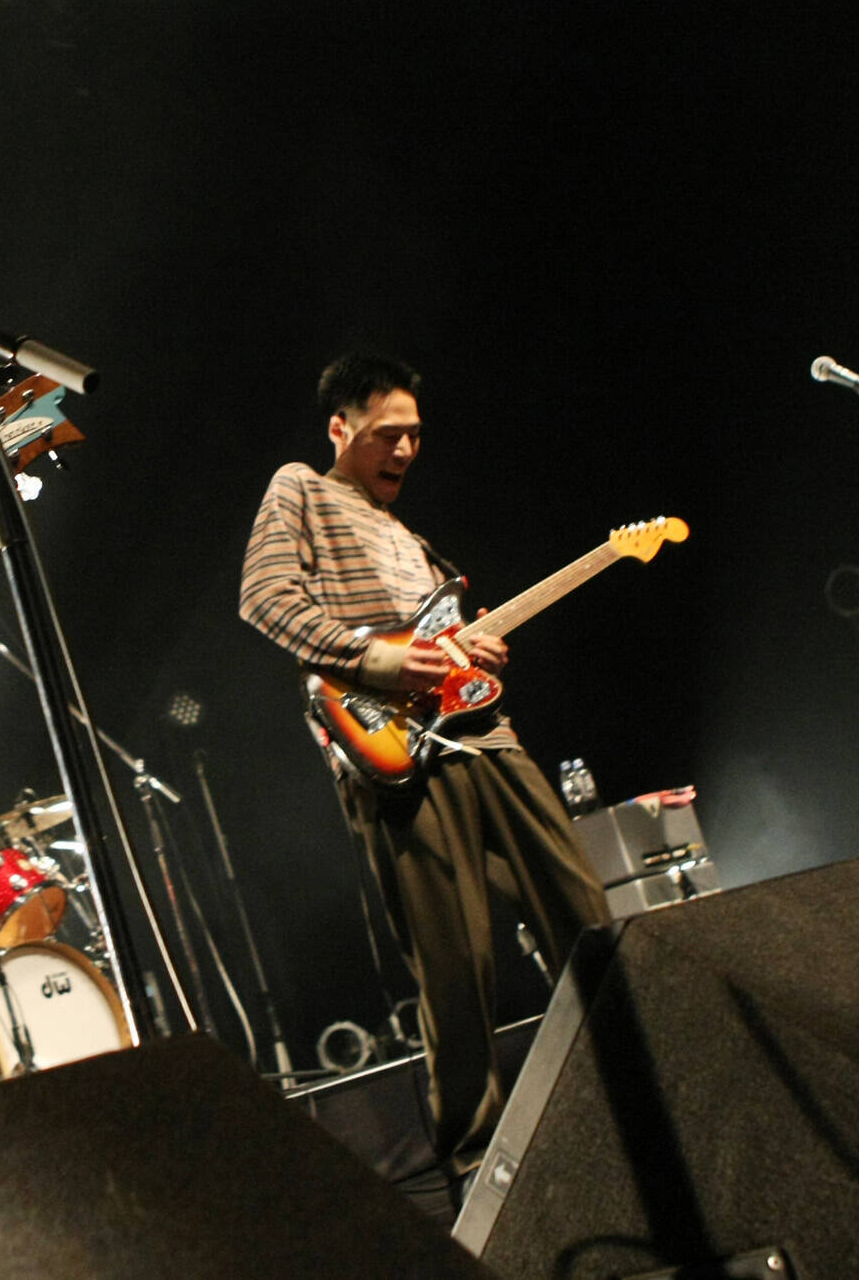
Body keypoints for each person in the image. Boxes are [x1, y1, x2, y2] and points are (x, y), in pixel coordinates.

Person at [238, 353, 609, 1160]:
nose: (405, 449)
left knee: (583, 911)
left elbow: (439, 645)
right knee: (456, 962)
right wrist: (379, 659)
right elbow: (263, 597)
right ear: (340, 428)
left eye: (414, 435)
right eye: (386, 434)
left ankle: (638, 1083)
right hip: (391, 748)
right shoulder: (301, 488)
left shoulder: (413, 537)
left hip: (484, 736)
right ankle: (475, 1159)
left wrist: (473, 649)